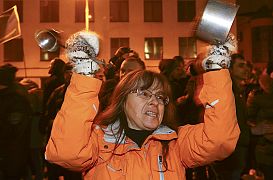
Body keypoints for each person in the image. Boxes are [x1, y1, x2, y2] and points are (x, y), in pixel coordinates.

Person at [45, 31, 240, 179]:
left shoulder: (176, 143)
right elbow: (66, 153)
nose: (155, 101)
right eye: (144, 93)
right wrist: (84, 74)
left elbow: (220, 140)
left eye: (161, 97)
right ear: (122, 100)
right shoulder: (98, 142)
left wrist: (216, 68)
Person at [213, 53, 252, 180]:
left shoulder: (238, 91)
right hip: (231, 154)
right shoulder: (226, 92)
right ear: (230, 69)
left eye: (246, 65)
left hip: (238, 151)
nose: (246, 69)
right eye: (241, 66)